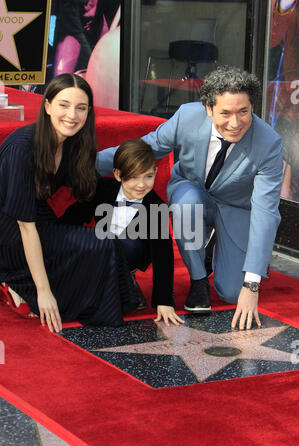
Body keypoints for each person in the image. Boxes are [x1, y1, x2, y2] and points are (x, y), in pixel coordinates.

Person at [96, 66, 284, 331]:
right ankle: (198, 280)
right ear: (208, 108)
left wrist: (252, 285)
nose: (235, 122)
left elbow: (266, 212)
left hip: (236, 207)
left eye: (244, 111)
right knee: (187, 203)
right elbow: (147, 147)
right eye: (225, 113)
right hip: (191, 192)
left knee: (232, 292)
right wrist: (83, 166)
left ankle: (213, 245)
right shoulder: (187, 116)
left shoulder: (270, 144)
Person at [0, 73, 138, 333]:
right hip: (10, 229)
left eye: (81, 108)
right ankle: (20, 284)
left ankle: (23, 284)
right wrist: (44, 293)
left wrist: (133, 193)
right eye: (64, 105)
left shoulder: (74, 143)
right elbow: (25, 226)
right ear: (48, 105)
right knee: (100, 245)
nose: (72, 115)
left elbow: (93, 188)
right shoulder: (21, 147)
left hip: (39, 217)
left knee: (101, 243)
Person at [96, 138, 184, 326]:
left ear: (156, 173)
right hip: (101, 254)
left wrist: (164, 301)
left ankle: (126, 278)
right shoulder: (103, 190)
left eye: (148, 176)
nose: (141, 185)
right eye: (133, 177)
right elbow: (73, 218)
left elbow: (163, 254)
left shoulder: (155, 206)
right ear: (118, 175)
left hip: (131, 254)